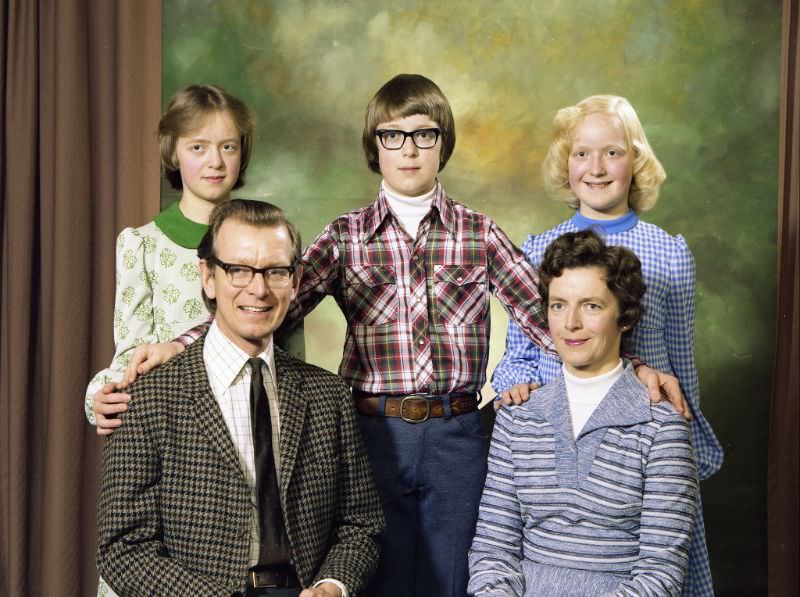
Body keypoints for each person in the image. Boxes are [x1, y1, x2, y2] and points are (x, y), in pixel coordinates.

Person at [98, 76, 687, 596]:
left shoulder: (479, 234)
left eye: (424, 135)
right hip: (369, 433)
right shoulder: (346, 236)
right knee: (369, 573)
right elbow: (268, 303)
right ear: (373, 148)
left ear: (443, 146)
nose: (408, 149)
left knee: (454, 578)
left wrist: (633, 368)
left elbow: (558, 319)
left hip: (457, 433)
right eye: (392, 136)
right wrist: (181, 344)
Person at [491, 95, 722, 596]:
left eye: (613, 153)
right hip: (555, 448)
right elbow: (519, 355)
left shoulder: (670, 253)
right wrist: (515, 389)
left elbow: (682, 366)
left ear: (635, 161)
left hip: (640, 448)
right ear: (565, 164)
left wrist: (675, 460)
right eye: (581, 154)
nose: (596, 168)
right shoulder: (536, 250)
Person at [97, 199, 384, 597]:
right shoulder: (149, 396)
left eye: (276, 271)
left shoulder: (327, 395)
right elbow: (122, 548)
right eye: (239, 270)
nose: (259, 289)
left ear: (296, 281)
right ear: (209, 276)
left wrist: (332, 586)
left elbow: (361, 525)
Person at [469, 230, 697, 596]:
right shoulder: (517, 417)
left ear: (624, 317)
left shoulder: (661, 425)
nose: (570, 323)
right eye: (558, 305)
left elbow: (660, 573)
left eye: (591, 306)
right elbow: (493, 550)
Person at [85, 84, 254, 432]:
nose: (216, 161)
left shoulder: (263, 241)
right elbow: (131, 354)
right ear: (173, 152)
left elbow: (290, 350)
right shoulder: (143, 244)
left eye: (228, 146)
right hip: (174, 424)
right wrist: (98, 397)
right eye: (198, 147)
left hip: (251, 417)